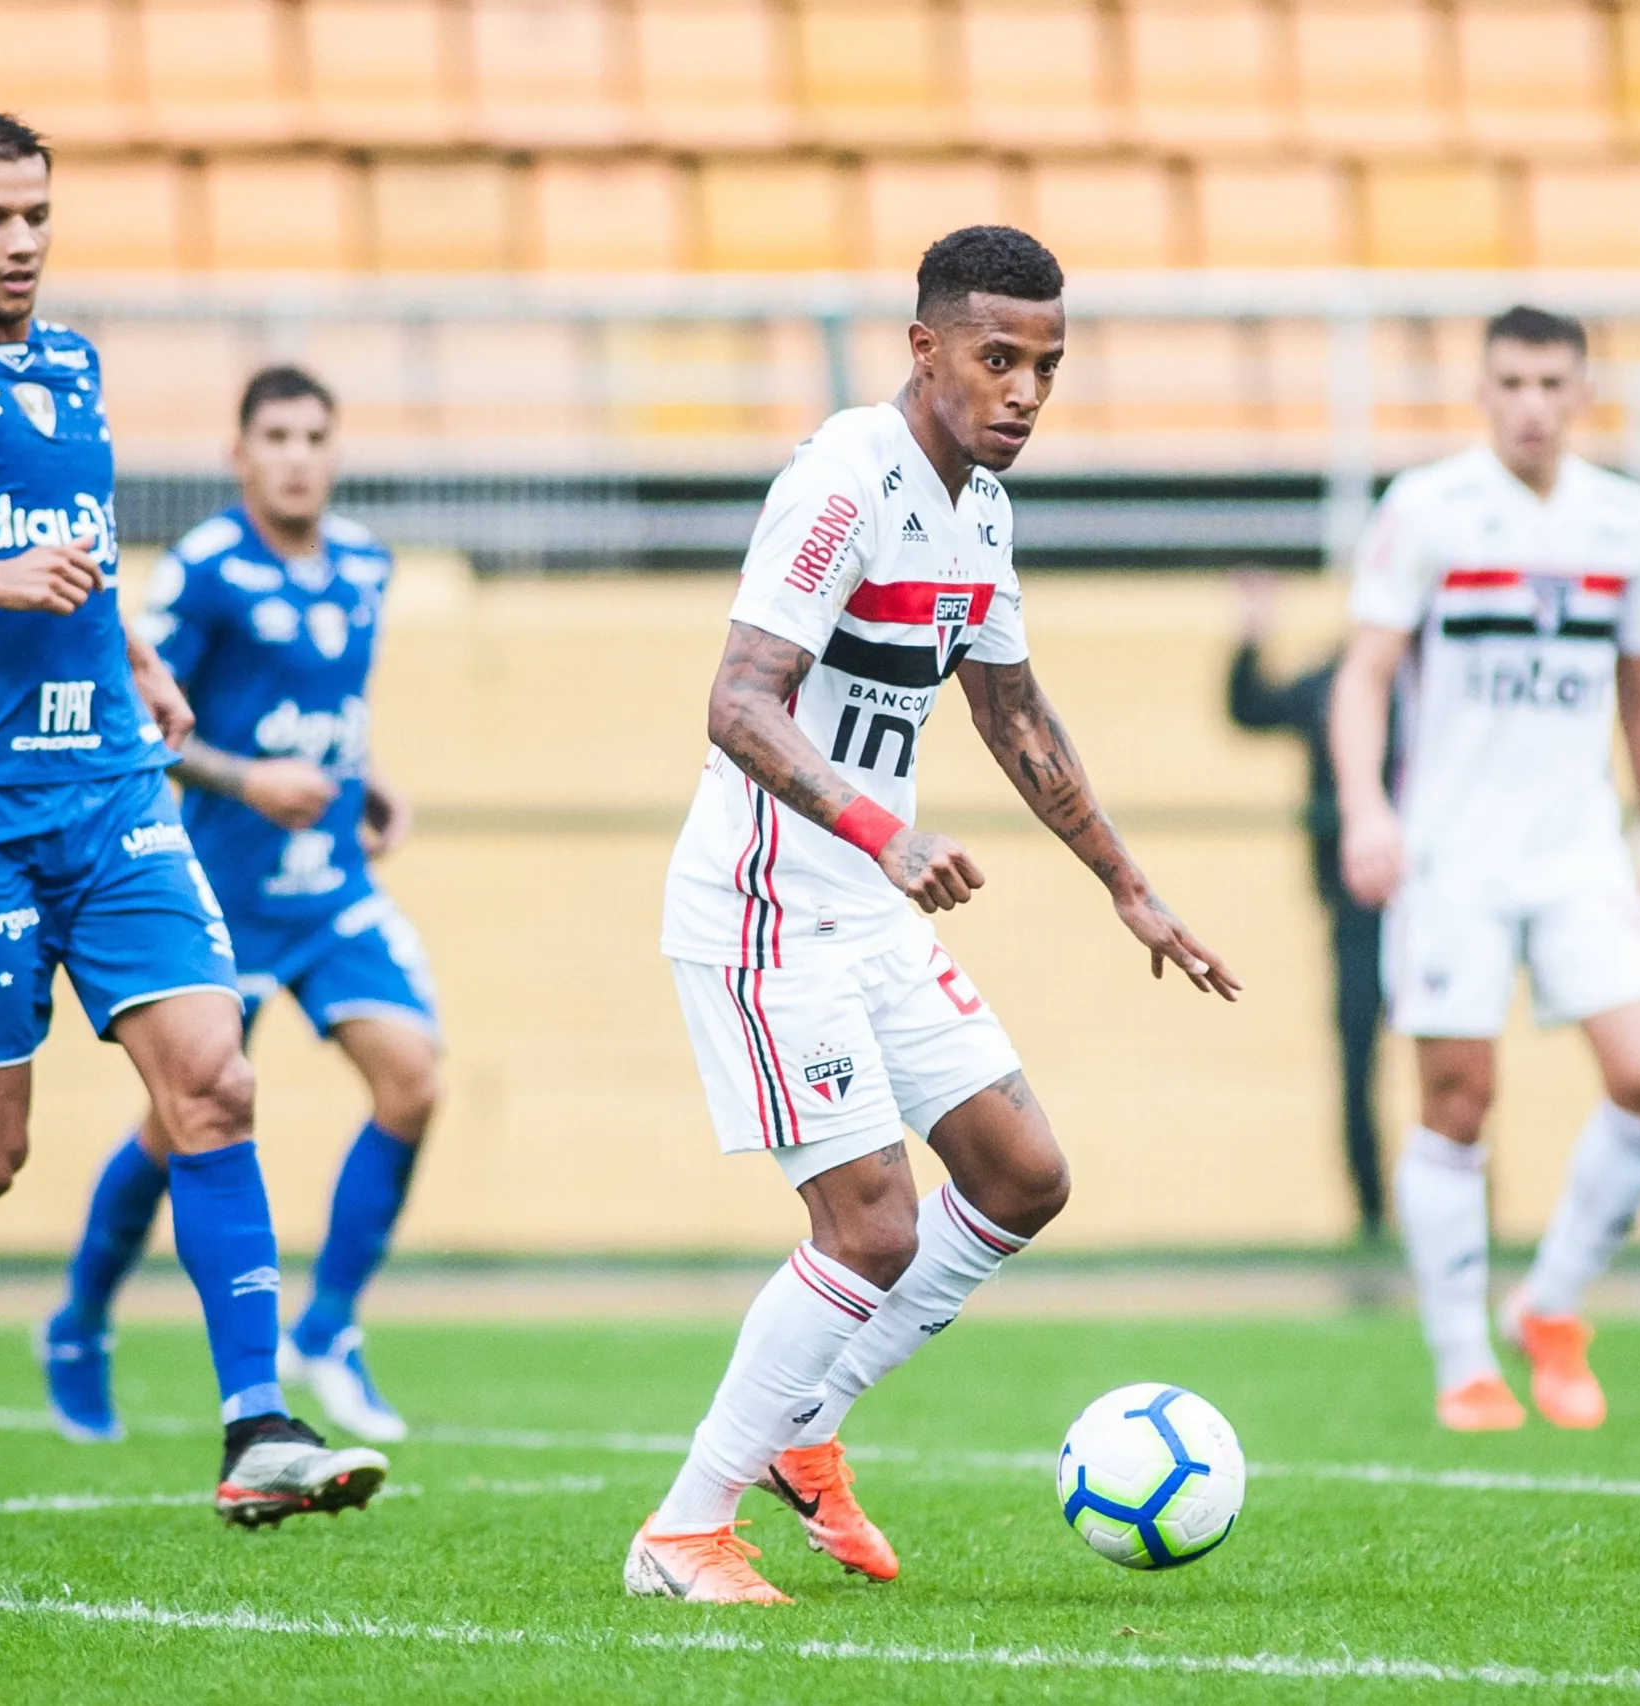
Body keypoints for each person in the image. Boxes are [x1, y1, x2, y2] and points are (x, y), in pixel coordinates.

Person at [0, 110, 387, 1525]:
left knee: (214, 1080)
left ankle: (256, 1424)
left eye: (39, 214)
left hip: (108, 789)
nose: (23, 242)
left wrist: (143, 662)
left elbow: (84, 566)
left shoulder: (73, 367)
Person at [626, 226, 1243, 1607]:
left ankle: (805, 1424)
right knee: (871, 1225)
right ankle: (682, 1529)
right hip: (770, 904)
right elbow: (736, 701)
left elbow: (1012, 711)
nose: (1024, 390)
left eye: (1046, 366)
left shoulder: (980, 511)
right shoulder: (842, 483)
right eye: (997, 357)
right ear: (926, 348)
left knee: (1022, 1173)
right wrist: (880, 825)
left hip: (868, 903)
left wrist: (1130, 887)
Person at [40, 365, 438, 1445]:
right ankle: (78, 1321)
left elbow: (329, 708)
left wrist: (372, 777)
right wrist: (247, 779)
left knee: (412, 1077)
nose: (298, 454)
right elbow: (146, 712)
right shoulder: (207, 570)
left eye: (316, 433)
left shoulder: (364, 563)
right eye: (277, 435)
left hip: (327, 889)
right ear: (240, 454)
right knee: (179, 1130)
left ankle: (330, 1327)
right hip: (219, 888)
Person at [1330, 305, 1640, 1434]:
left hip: (1579, 849)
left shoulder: (1622, 519)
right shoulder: (1427, 508)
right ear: (1482, 392)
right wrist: (1366, 807)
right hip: (1453, 858)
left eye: (1551, 383)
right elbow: (1363, 673)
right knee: (1457, 1100)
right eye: (1512, 382)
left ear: (1582, 393)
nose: (1531, 403)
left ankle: (1550, 1298)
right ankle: (1459, 1361)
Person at [1224, 574, 1392, 1239]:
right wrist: (1251, 632)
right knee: (1357, 1062)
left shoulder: (1429, 687)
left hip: (1434, 903)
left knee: (1458, 1061)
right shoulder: (1333, 683)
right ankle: (1372, 1217)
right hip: (1354, 906)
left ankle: (1463, 1213)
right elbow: (1250, 708)